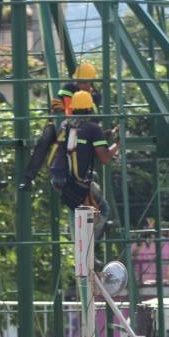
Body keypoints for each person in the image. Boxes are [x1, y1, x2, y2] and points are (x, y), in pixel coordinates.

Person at [18, 62, 103, 191]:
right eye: (80, 82)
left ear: (91, 81)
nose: (82, 85)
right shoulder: (69, 87)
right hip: (62, 124)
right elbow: (69, 113)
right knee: (45, 140)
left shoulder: (96, 95)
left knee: (86, 141)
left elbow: (94, 115)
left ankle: (84, 177)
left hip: (81, 128)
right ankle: (28, 178)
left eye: (86, 82)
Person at [49, 89, 119, 238]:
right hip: (73, 182)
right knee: (104, 210)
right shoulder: (93, 129)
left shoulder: (65, 125)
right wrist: (118, 144)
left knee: (92, 178)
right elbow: (105, 158)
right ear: (90, 108)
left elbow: (82, 142)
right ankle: (89, 245)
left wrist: (108, 134)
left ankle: (88, 239)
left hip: (57, 178)